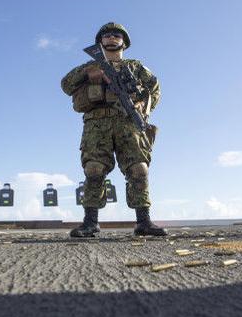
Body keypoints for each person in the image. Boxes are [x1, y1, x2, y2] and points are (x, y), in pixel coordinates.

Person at [61, 22, 166, 237]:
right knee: (94, 169)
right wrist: (90, 73)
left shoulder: (135, 67)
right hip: (97, 124)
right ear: (100, 42)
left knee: (139, 169)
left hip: (128, 122)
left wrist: (143, 107)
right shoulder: (89, 66)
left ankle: (143, 222)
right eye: (107, 35)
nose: (111, 37)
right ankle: (90, 222)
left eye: (116, 35)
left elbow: (154, 89)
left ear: (124, 42)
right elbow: (66, 84)